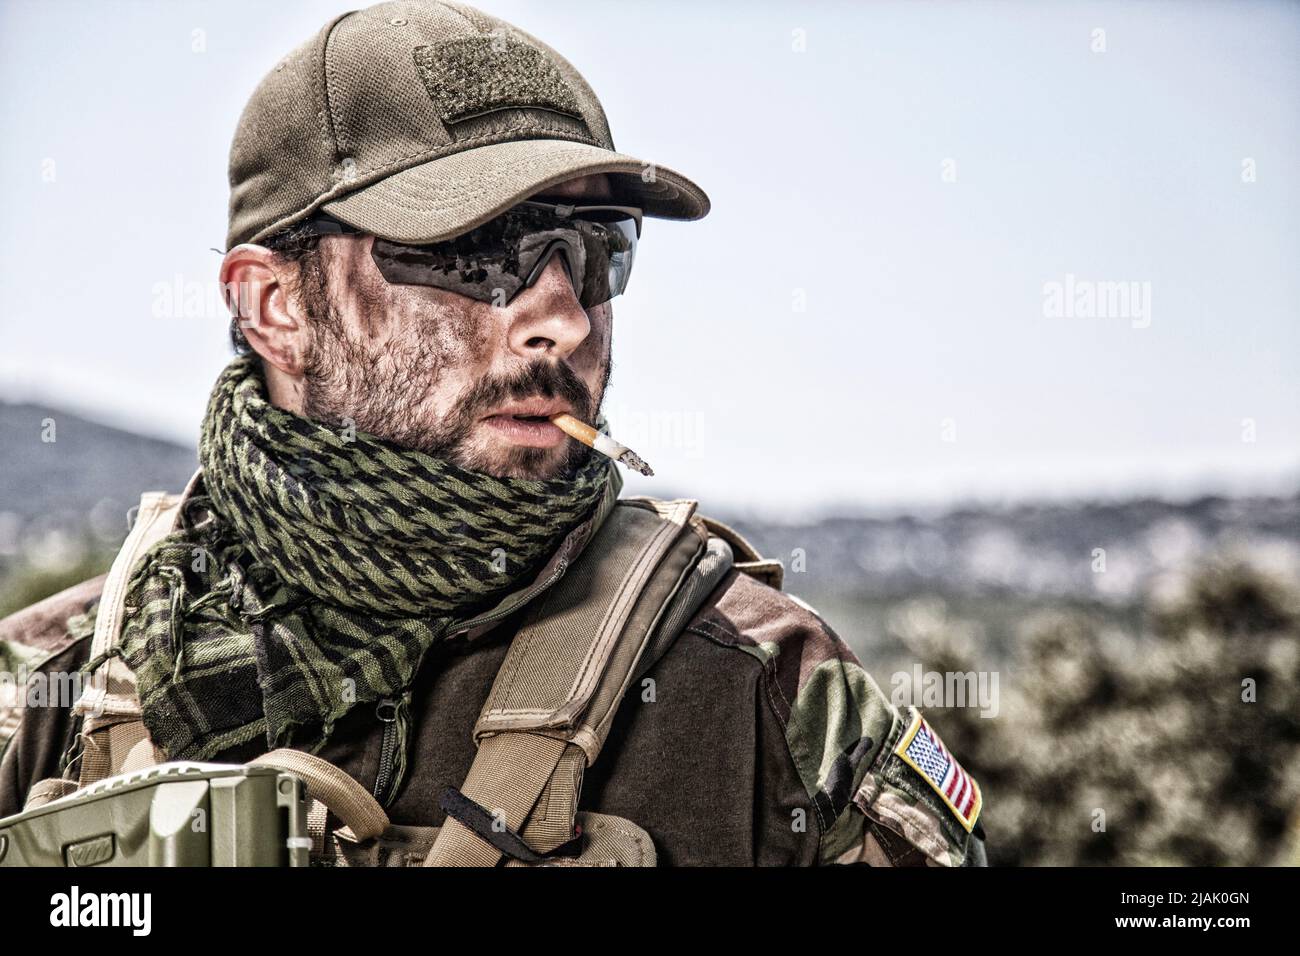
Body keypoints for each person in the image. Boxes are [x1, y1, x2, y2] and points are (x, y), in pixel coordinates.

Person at [0, 0, 986, 867]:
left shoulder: (756, 688)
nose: (561, 312)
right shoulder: (51, 686)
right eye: (475, 251)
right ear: (274, 307)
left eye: (595, 249)